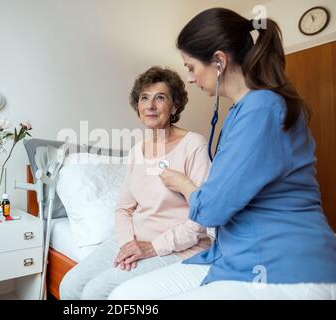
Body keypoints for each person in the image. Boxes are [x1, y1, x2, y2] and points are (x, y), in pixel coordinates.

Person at [108, 8, 336, 300]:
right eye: (144, 99)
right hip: (233, 256)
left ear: (218, 61)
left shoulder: (260, 109)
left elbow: (211, 211)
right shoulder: (245, 111)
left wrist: (184, 185)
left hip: (281, 265)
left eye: (191, 67)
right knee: (125, 295)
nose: (190, 77)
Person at [59, 66, 212, 299]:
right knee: (70, 285)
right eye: (144, 98)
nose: (150, 106)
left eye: (160, 98)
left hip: (179, 247)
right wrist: (128, 243)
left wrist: (152, 247)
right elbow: (123, 207)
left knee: (97, 292)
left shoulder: (194, 145)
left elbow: (202, 217)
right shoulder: (137, 151)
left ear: (175, 106)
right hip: (135, 239)